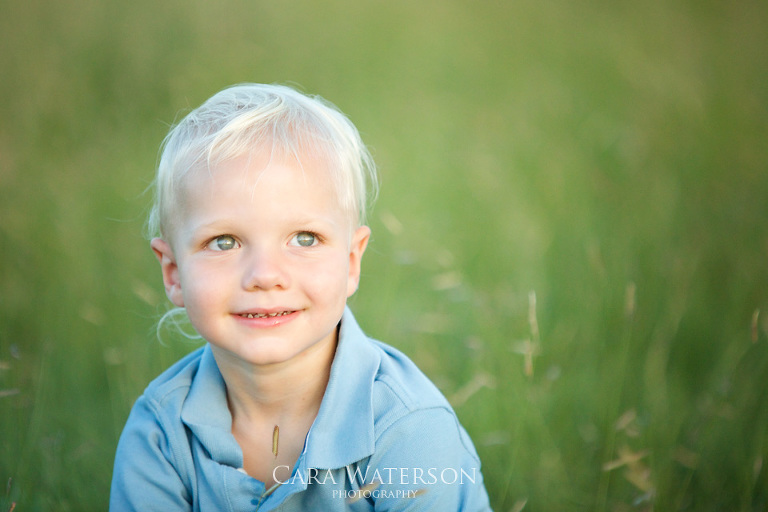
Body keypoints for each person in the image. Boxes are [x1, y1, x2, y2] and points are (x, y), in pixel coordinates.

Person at [110, 83, 492, 511]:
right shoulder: (161, 433)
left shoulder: (408, 430)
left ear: (351, 262)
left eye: (304, 238)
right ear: (174, 273)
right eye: (224, 242)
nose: (265, 276)